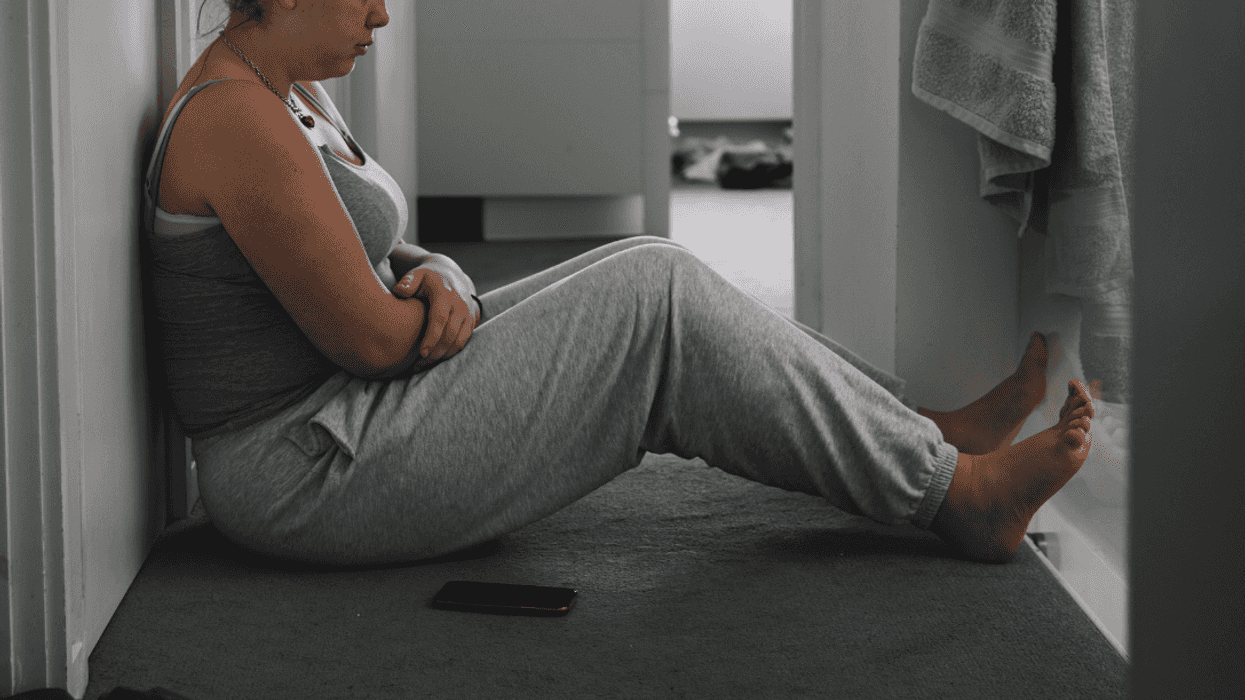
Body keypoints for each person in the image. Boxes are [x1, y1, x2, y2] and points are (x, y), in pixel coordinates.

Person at [143, 0, 1094, 568]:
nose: (384, 15)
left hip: (346, 420)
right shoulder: (233, 119)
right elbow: (373, 342)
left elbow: (382, 251)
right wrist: (446, 295)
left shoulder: (288, 91)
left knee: (639, 260)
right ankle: (954, 495)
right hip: (303, 470)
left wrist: (433, 275)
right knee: (653, 294)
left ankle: (921, 433)